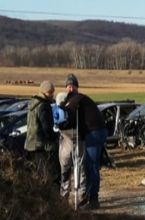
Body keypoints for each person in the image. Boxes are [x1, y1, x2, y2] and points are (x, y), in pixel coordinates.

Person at [61, 74, 106, 210]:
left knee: (91, 166)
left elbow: (67, 116)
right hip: (97, 132)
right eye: (68, 86)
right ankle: (89, 196)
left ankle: (93, 199)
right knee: (89, 165)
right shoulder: (81, 99)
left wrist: (62, 110)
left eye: (72, 85)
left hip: (94, 133)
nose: (70, 88)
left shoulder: (77, 99)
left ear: (76, 87)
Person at [54, 91, 87, 209]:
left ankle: (64, 196)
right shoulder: (73, 109)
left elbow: (56, 127)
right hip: (77, 140)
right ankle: (80, 196)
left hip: (65, 142)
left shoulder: (59, 111)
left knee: (65, 170)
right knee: (79, 167)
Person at [25, 80, 60, 186]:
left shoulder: (32, 104)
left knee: (37, 176)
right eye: (50, 92)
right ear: (44, 92)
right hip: (41, 146)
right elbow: (47, 128)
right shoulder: (44, 106)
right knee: (50, 176)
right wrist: (55, 137)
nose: (52, 95)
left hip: (30, 145)